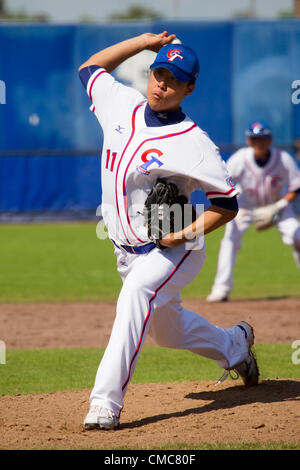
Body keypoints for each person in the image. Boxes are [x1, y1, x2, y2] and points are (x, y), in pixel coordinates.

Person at [78, 31, 259, 431]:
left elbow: (227, 205)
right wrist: (142, 41)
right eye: (159, 73)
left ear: (188, 88)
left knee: (136, 295)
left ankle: (105, 404)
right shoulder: (119, 103)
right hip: (127, 249)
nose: (162, 83)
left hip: (177, 245)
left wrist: (182, 234)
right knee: (167, 331)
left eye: (174, 79)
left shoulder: (194, 143)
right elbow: (90, 68)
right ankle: (235, 344)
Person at [207, 121, 300, 302]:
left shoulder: (283, 159)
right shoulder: (240, 159)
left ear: (270, 140)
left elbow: (296, 186)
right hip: (245, 208)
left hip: (277, 206)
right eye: (254, 139)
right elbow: (224, 182)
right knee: (229, 240)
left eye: (262, 139)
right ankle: (221, 289)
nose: (259, 143)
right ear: (248, 141)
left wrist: (279, 206)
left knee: (298, 235)